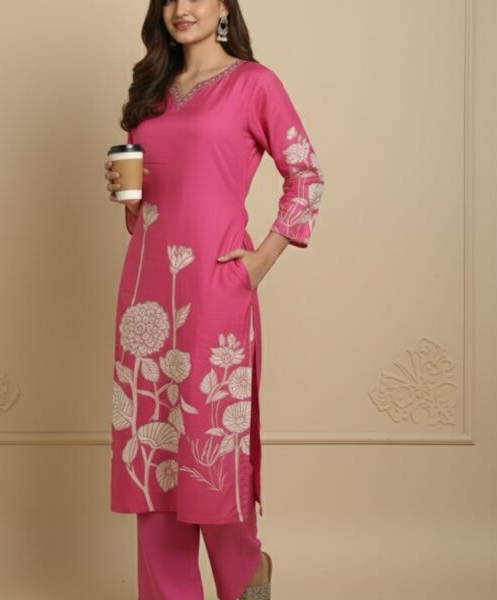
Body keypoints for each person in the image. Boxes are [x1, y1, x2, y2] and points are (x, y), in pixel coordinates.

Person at [104, 1, 325, 598]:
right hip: (145, 292)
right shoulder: (151, 88)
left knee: (211, 453)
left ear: (224, 6)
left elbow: (306, 175)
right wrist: (127, 196)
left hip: (214, 291)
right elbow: (150, 209)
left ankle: (246, 575)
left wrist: (261, 260)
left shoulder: (254, 83)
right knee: (154, 461)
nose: (183, 9)